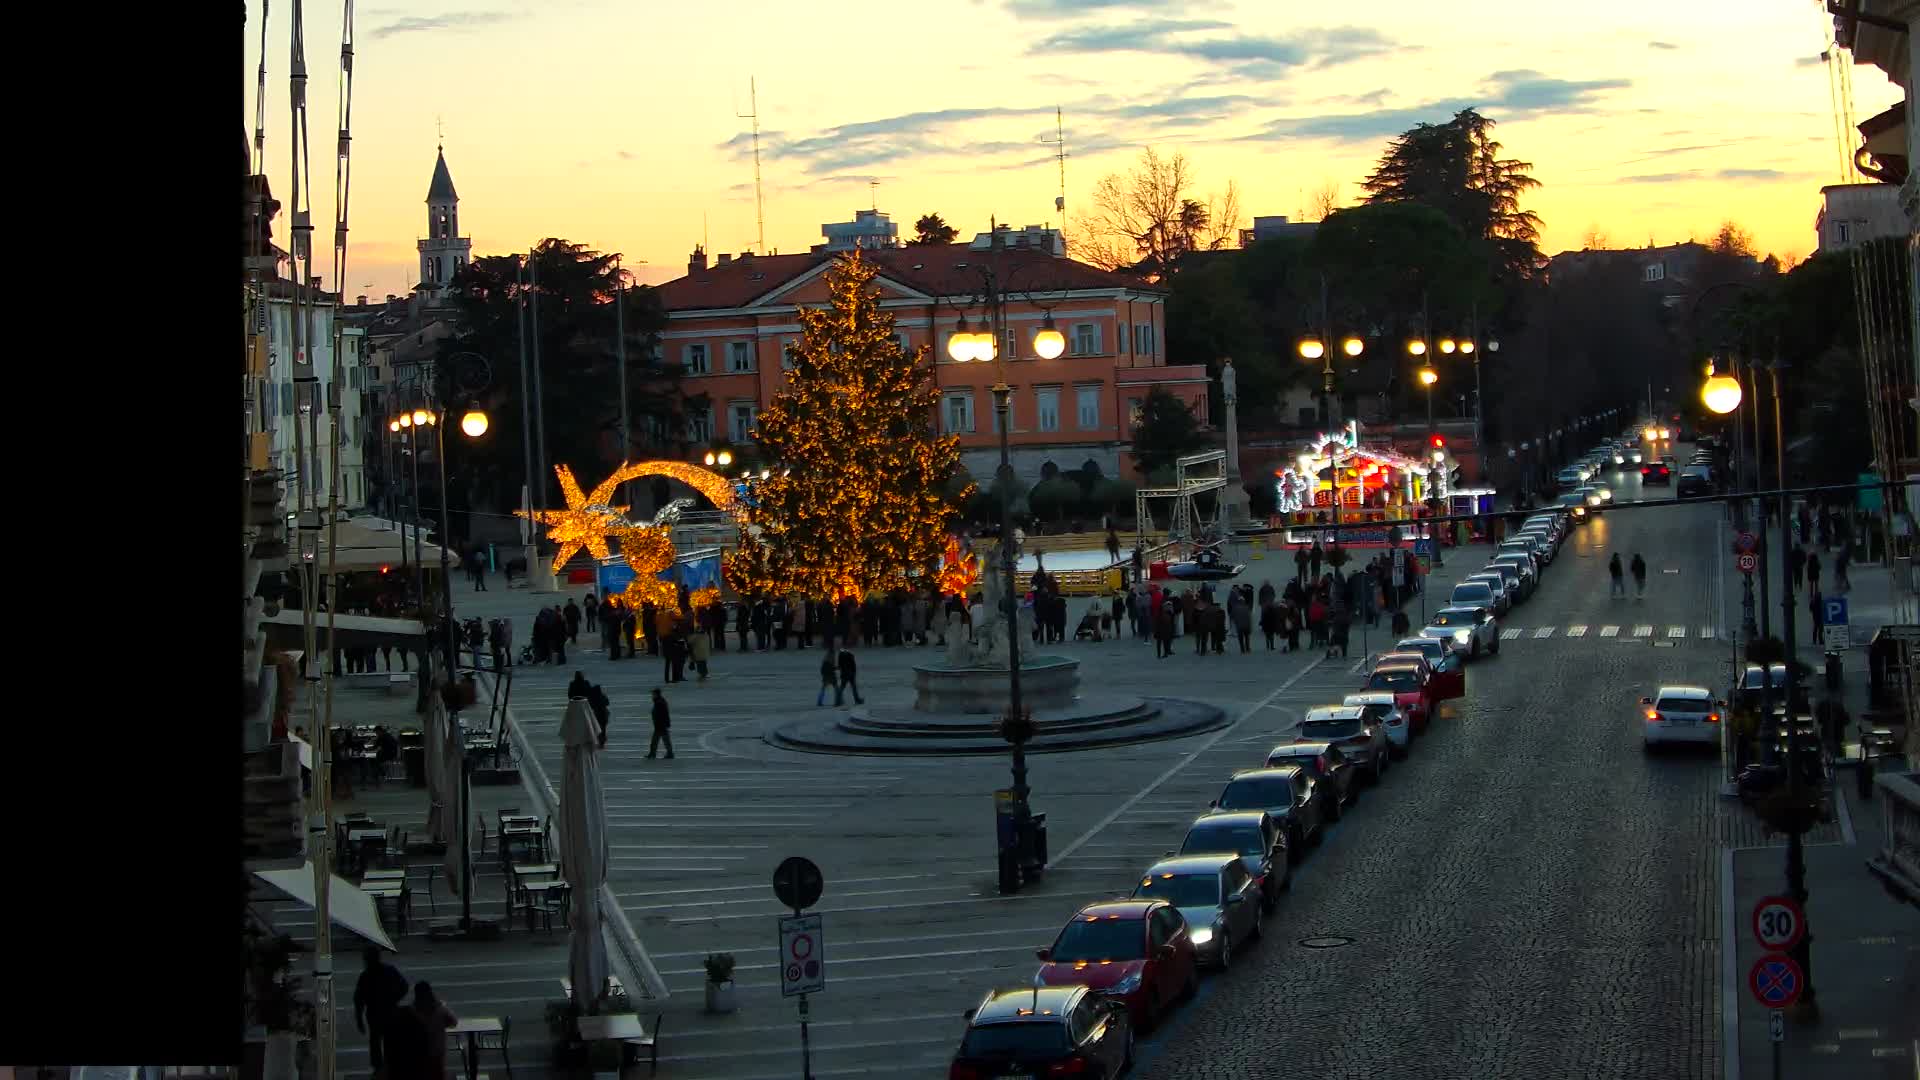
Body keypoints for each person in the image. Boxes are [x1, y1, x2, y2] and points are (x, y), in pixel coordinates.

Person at [353, 947, 408, 1073]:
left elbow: (358, 1000)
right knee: (390, 1040)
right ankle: (391, 1065)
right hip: (390, 1011)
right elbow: (404, 986)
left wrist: (359, 1019)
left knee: (375, 1041)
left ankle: (378, 1068)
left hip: (374, 1013)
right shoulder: (389, 970)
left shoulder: (365, 976)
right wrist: (394, 999)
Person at [408, 981, 458, 1080]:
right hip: (437, 1049)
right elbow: (453, 1022)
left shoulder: (411, 1011)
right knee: (438, 1074)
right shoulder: (440, 1008)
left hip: (418, 1050)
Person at [647, 688, 674, 759]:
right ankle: (668, 753)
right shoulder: (659, 701)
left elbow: (662, 714)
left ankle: (653, 754)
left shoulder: (659, 702)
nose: (652, 695)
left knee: (657, 740)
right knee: (663, 740)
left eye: (653, 694)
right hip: (661, 724)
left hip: (660, 725)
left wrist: (661, 724)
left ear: (656, 694)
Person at [588, 682, 612, 748]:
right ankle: (602, 741)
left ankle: (600, 741)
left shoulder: (593, 698)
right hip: (604, 714)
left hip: (597, 714)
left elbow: (591, 706)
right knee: (603, 729)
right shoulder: (602, 696)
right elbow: (607, 703)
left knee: (598, 728)